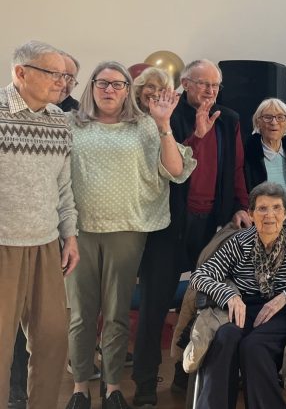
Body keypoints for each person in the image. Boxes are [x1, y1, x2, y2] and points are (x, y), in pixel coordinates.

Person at [63, 62, 196, 409]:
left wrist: (164, 124)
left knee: (117, 313)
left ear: (127, 91)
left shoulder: (144, 127)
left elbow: (176, 170)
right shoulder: (71, 125)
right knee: (80, 314)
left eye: (117, 84)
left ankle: (111, 388)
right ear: (91, 87)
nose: (109, 90)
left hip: (128, 231)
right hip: (80, 234)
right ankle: (80, 387)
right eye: (102, 83)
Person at [132, 59, 250, 406]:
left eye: (215, 86)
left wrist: (240, 206)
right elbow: (168, 166)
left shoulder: (229, 119)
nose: (210, 91)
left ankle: (188, 375)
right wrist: (195, 136)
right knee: (155, 305)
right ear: (185, 83)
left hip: (212, 223)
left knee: (205, 304)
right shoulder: (167, 114)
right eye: (203, 84)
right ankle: (143, 385)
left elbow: (237, 168)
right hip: (170, 223)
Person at [191, 181, 286, 409]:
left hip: (282, 313)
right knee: (224, 339)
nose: (269, 215)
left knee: (254, 348)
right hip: (241, 308)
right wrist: (229, 296)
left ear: (285, 213)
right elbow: (201, 275)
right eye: (262, 208)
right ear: (251, 213)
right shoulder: (239, 242)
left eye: (276, 208)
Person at [0, 41, 79, 409]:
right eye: (53, 73)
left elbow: (64, 186)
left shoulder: (59, 122)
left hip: (47, 245)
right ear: (21, 72)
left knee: (52, 340)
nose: (62, 82)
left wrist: (70, 235)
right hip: (4, 245)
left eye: (65, 75)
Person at [243, 98, 286, 210]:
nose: (274, 122)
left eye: (280, 117)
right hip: (261, 220)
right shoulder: (247, 153)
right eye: (268, 117)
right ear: (258, 122)